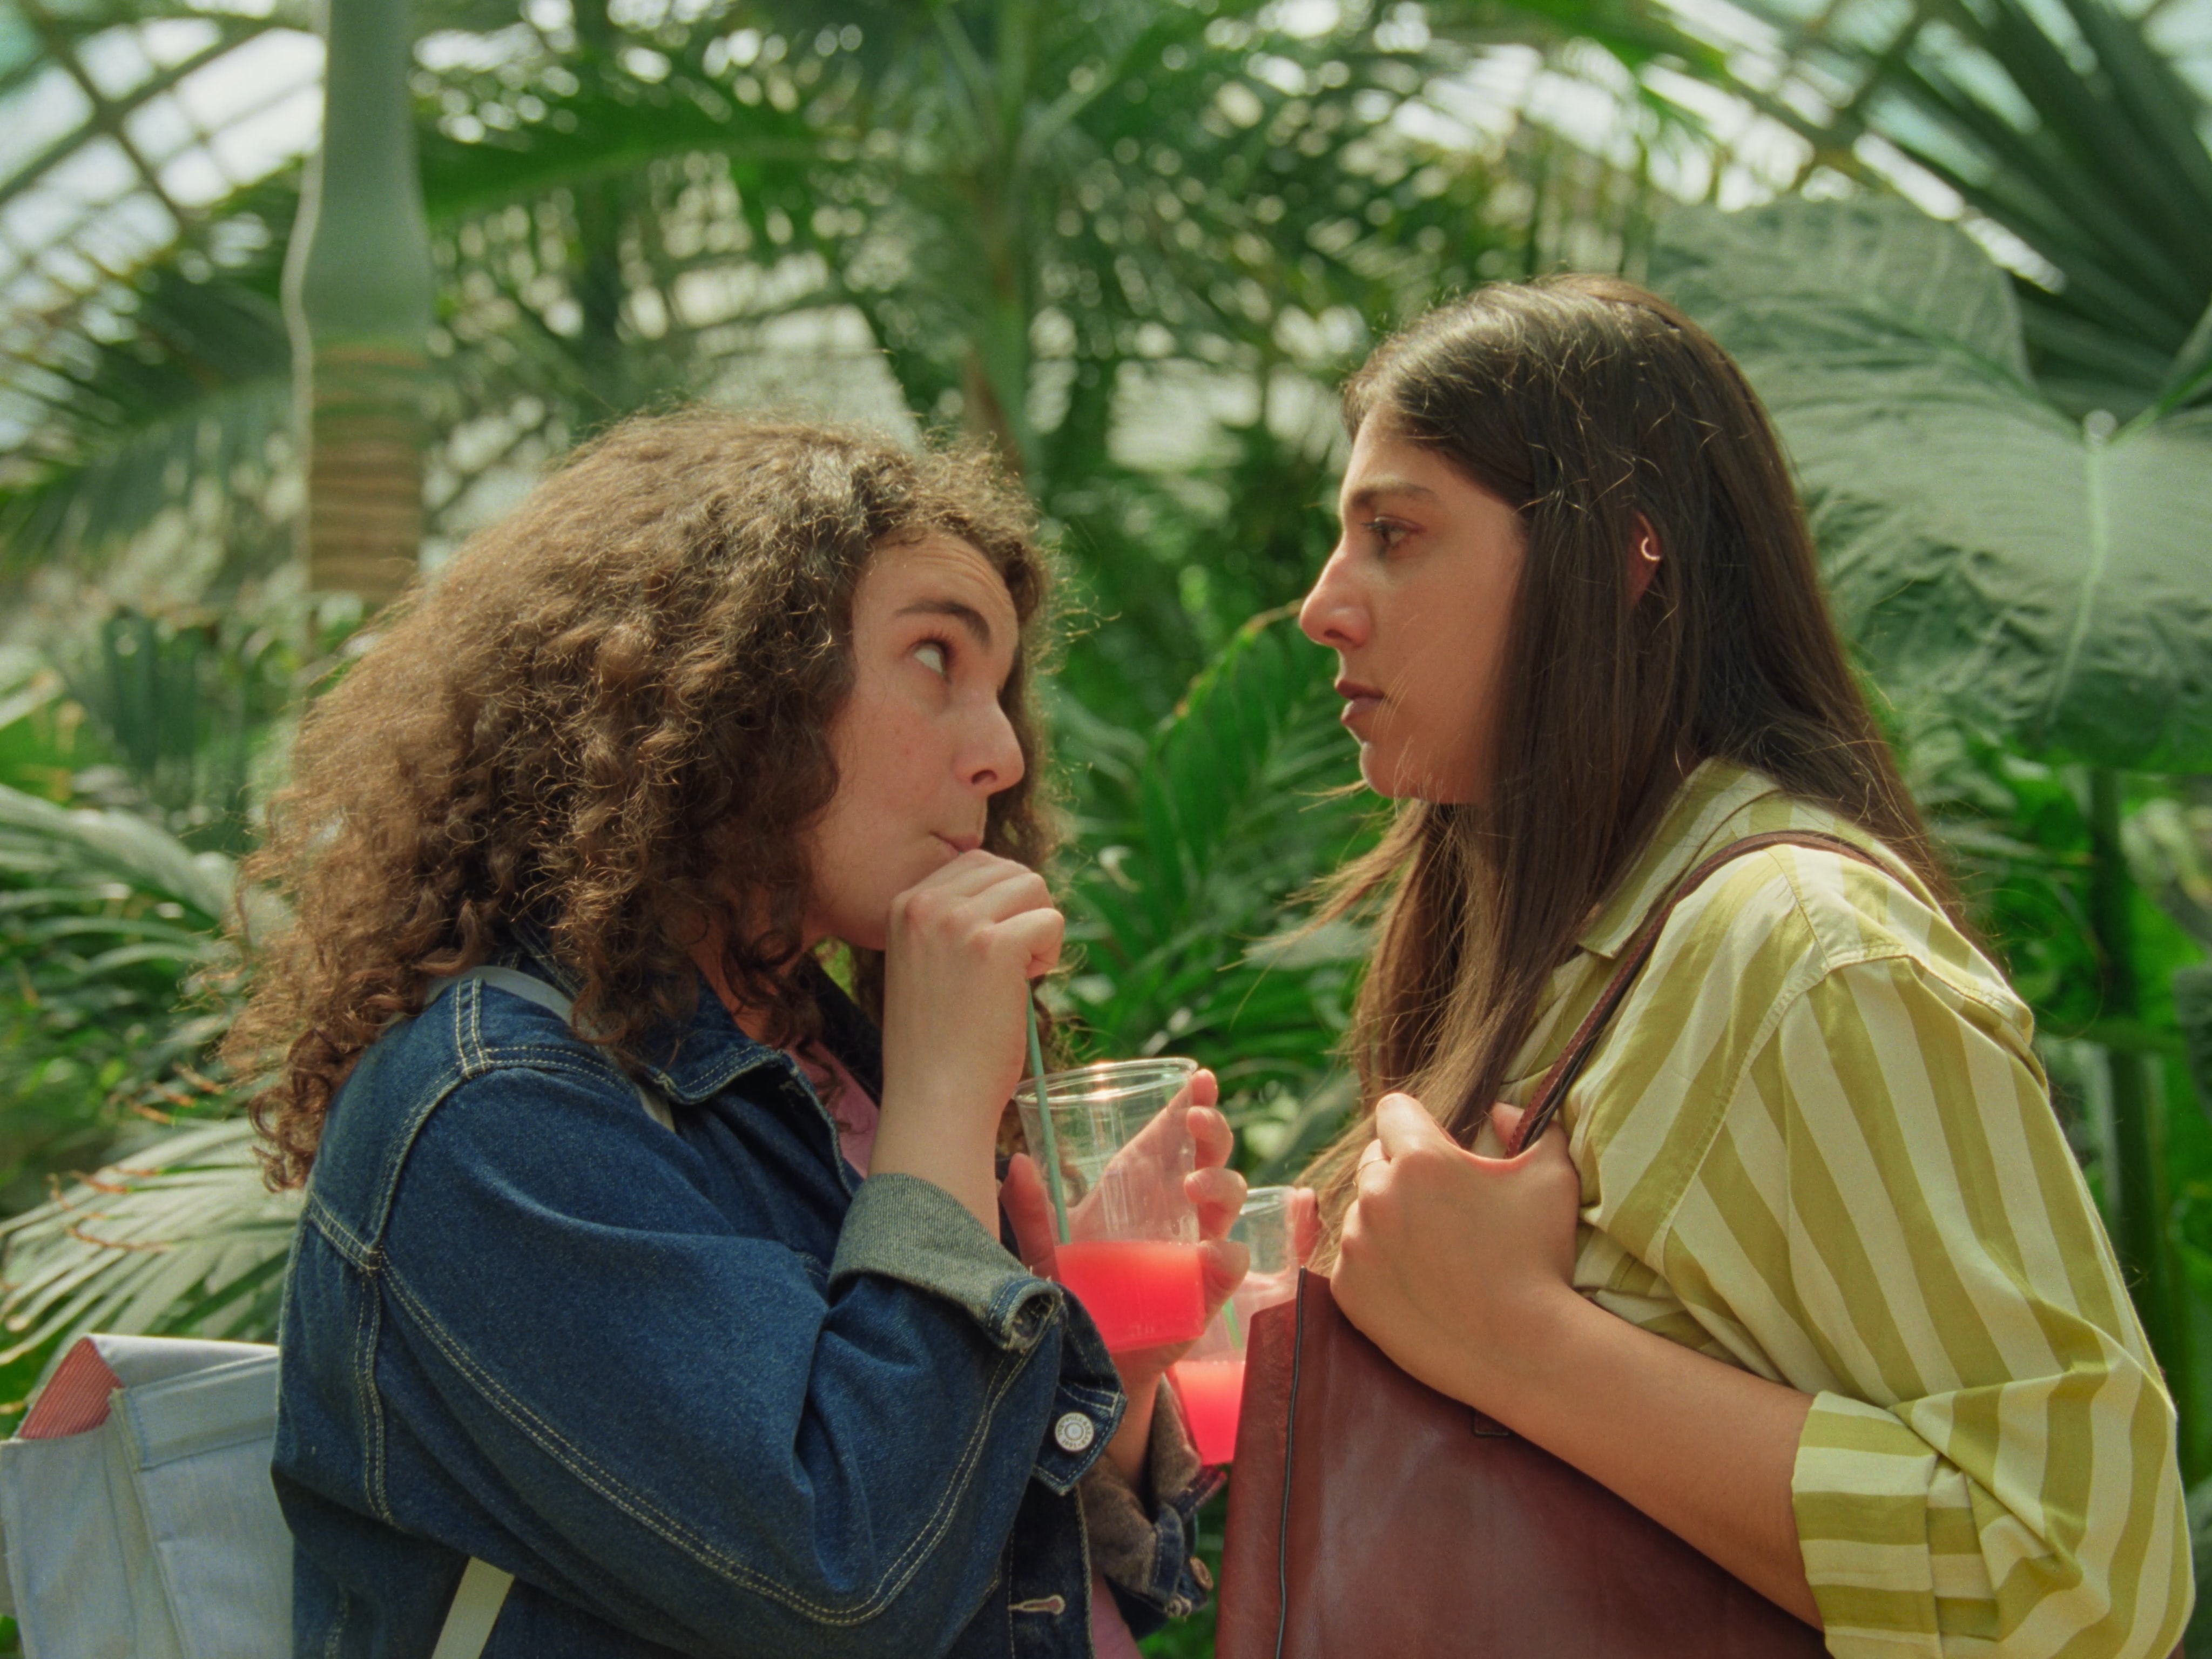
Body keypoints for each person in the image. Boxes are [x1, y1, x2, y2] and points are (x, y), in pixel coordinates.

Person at [227, 414, 1242, 1658]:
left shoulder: (829, 1075)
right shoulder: (494, 1110)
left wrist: (1119, 1367)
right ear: (728, 683)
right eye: (935, 656)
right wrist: (938, 1106)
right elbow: (845, 1583)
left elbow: (1002, 1574)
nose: (1000, 753)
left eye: (1003, 690)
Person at [1295, 276, 2191, 1658]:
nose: (1322, 607)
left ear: (1624, 553)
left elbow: (2078, 1566)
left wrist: (1521, 1342)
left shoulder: (1803, 950)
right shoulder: (1578, 932)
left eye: (1394, 536)